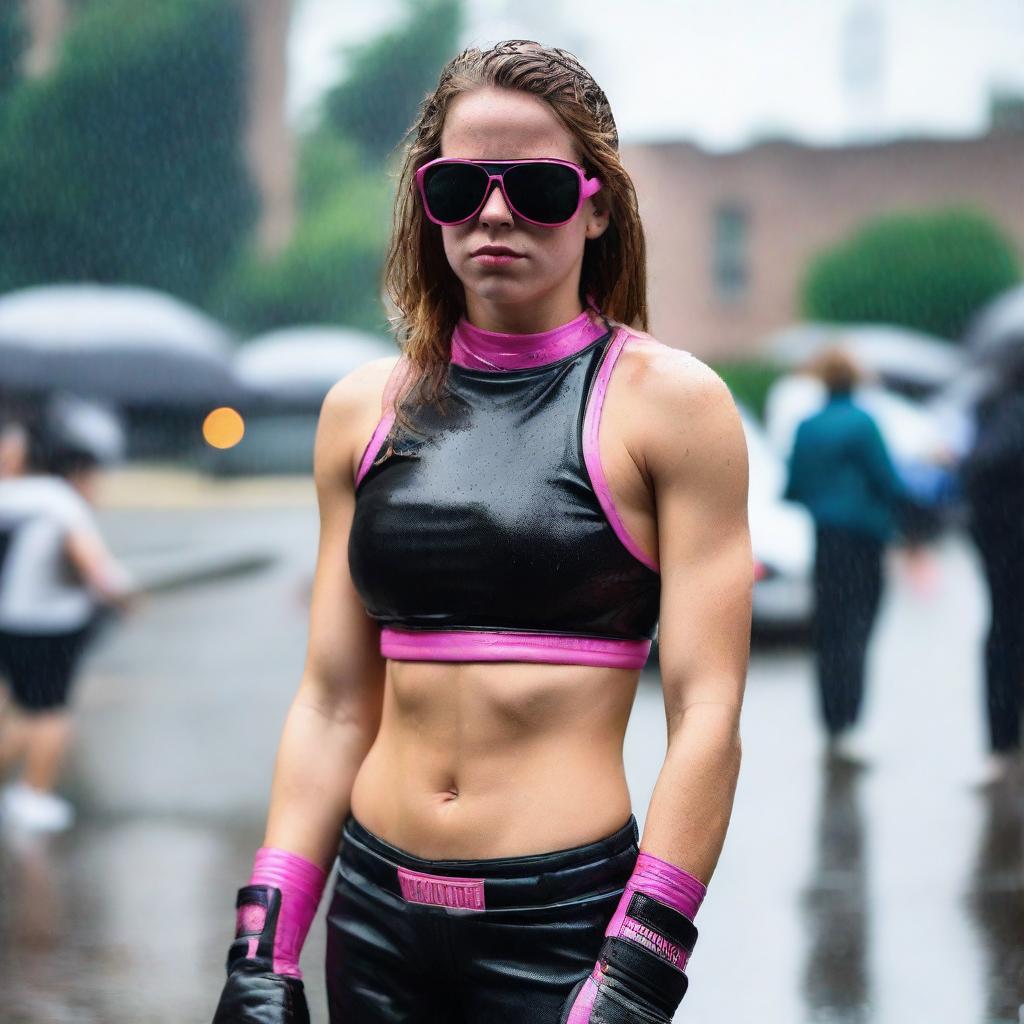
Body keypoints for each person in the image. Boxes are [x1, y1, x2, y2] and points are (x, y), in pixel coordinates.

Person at [212, 40, 752, 1024]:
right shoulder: (361, 410)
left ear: (596, 204)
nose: (493, 213)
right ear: (427, 201)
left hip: (563, 926)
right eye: (459, 185)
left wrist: (640, 964)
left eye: (537, 187)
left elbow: (707, 711)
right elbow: (335, 702)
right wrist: (265, 946)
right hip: (374, 914)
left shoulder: (672, 407)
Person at [0, 401, 133, 831]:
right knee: (51, 712)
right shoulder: (59, 501)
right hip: (50, 624)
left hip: (10, 621)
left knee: (21, 708)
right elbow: (95, 566)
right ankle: (35, 797)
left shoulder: (10, 496)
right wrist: (123, 596)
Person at [784, 348, 906, 764]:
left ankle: (831, 722)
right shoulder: (864, 423)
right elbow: (888, 480)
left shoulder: (807, 426)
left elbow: (793, 486)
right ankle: (850, 720)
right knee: (858, 629)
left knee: (830, 631)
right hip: (864, 540)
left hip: (826, 540)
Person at [960, 362, 1024, 787]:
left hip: (999, 543)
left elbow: (975, 472)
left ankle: (1002, 743)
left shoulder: (991, 406)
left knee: (1003, 637)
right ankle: (1003, 742)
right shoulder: (1009, 414)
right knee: (1006, 635)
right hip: (1009, 544)